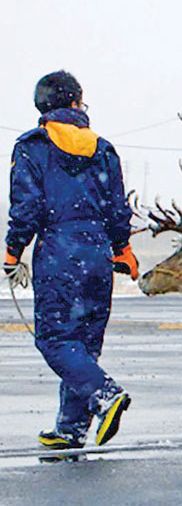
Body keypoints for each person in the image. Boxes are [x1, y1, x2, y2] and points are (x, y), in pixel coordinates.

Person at [4, 70, 139, 450]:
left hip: (60, 253)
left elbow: (26, 207)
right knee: (83, 343)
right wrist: (122, 249)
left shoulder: (33, 146)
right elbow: (118, 208)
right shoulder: (104, 149)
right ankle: (71, 428)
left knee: (54, 339)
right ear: (76, 102)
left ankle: (105, 395)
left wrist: (13, 251)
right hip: (96, 254)